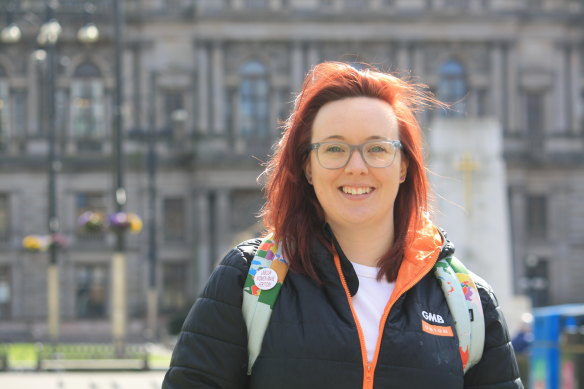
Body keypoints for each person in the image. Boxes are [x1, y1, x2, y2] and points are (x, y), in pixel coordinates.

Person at [162, 62, 523, 389]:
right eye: (334, 149)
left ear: (403, 167)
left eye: (378, 148)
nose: (356, 166)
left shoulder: (468, 302)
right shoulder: (246, 281)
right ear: (307, 166)